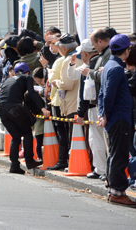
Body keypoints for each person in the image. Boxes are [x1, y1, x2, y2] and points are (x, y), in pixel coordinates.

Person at [98, 34, 136, 207]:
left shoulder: (109, 66)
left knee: (115, 154)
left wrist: (102, 114)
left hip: (115, 118)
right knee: (119, 156)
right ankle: (117, 192)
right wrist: (105, 114)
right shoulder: (116, 68)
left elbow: (102, 93)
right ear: (126, 51)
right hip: (119, 118)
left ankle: (114, 190)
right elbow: (108, 96)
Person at [0, 62, 50, 174]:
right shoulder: (27, 77)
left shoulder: (9, 80)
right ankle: (29, 160)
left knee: (16, 136)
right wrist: (43, 108)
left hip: (1, 108)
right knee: (27, 132)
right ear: (27, 72)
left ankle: (14, 165)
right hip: (14, 106)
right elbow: (31, 93)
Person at [67, 39, 104, 179]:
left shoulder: (88, 67)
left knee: (96, 139)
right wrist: (71, 64)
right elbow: (72, 75)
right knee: (101, 139)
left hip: (94, 107)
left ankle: (101, 169)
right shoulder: (98, 62)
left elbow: (84, 92)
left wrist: (80, 113)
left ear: (84, 53)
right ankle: (103, 169)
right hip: (101, 106)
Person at [49, 33, 82, 171]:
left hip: (71, 101)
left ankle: (71, 162)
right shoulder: (80, 56)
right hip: (79, 100)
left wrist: (55, 81)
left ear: (62, 47)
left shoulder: (68, 59)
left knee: (71, 134)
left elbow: (66, 84)